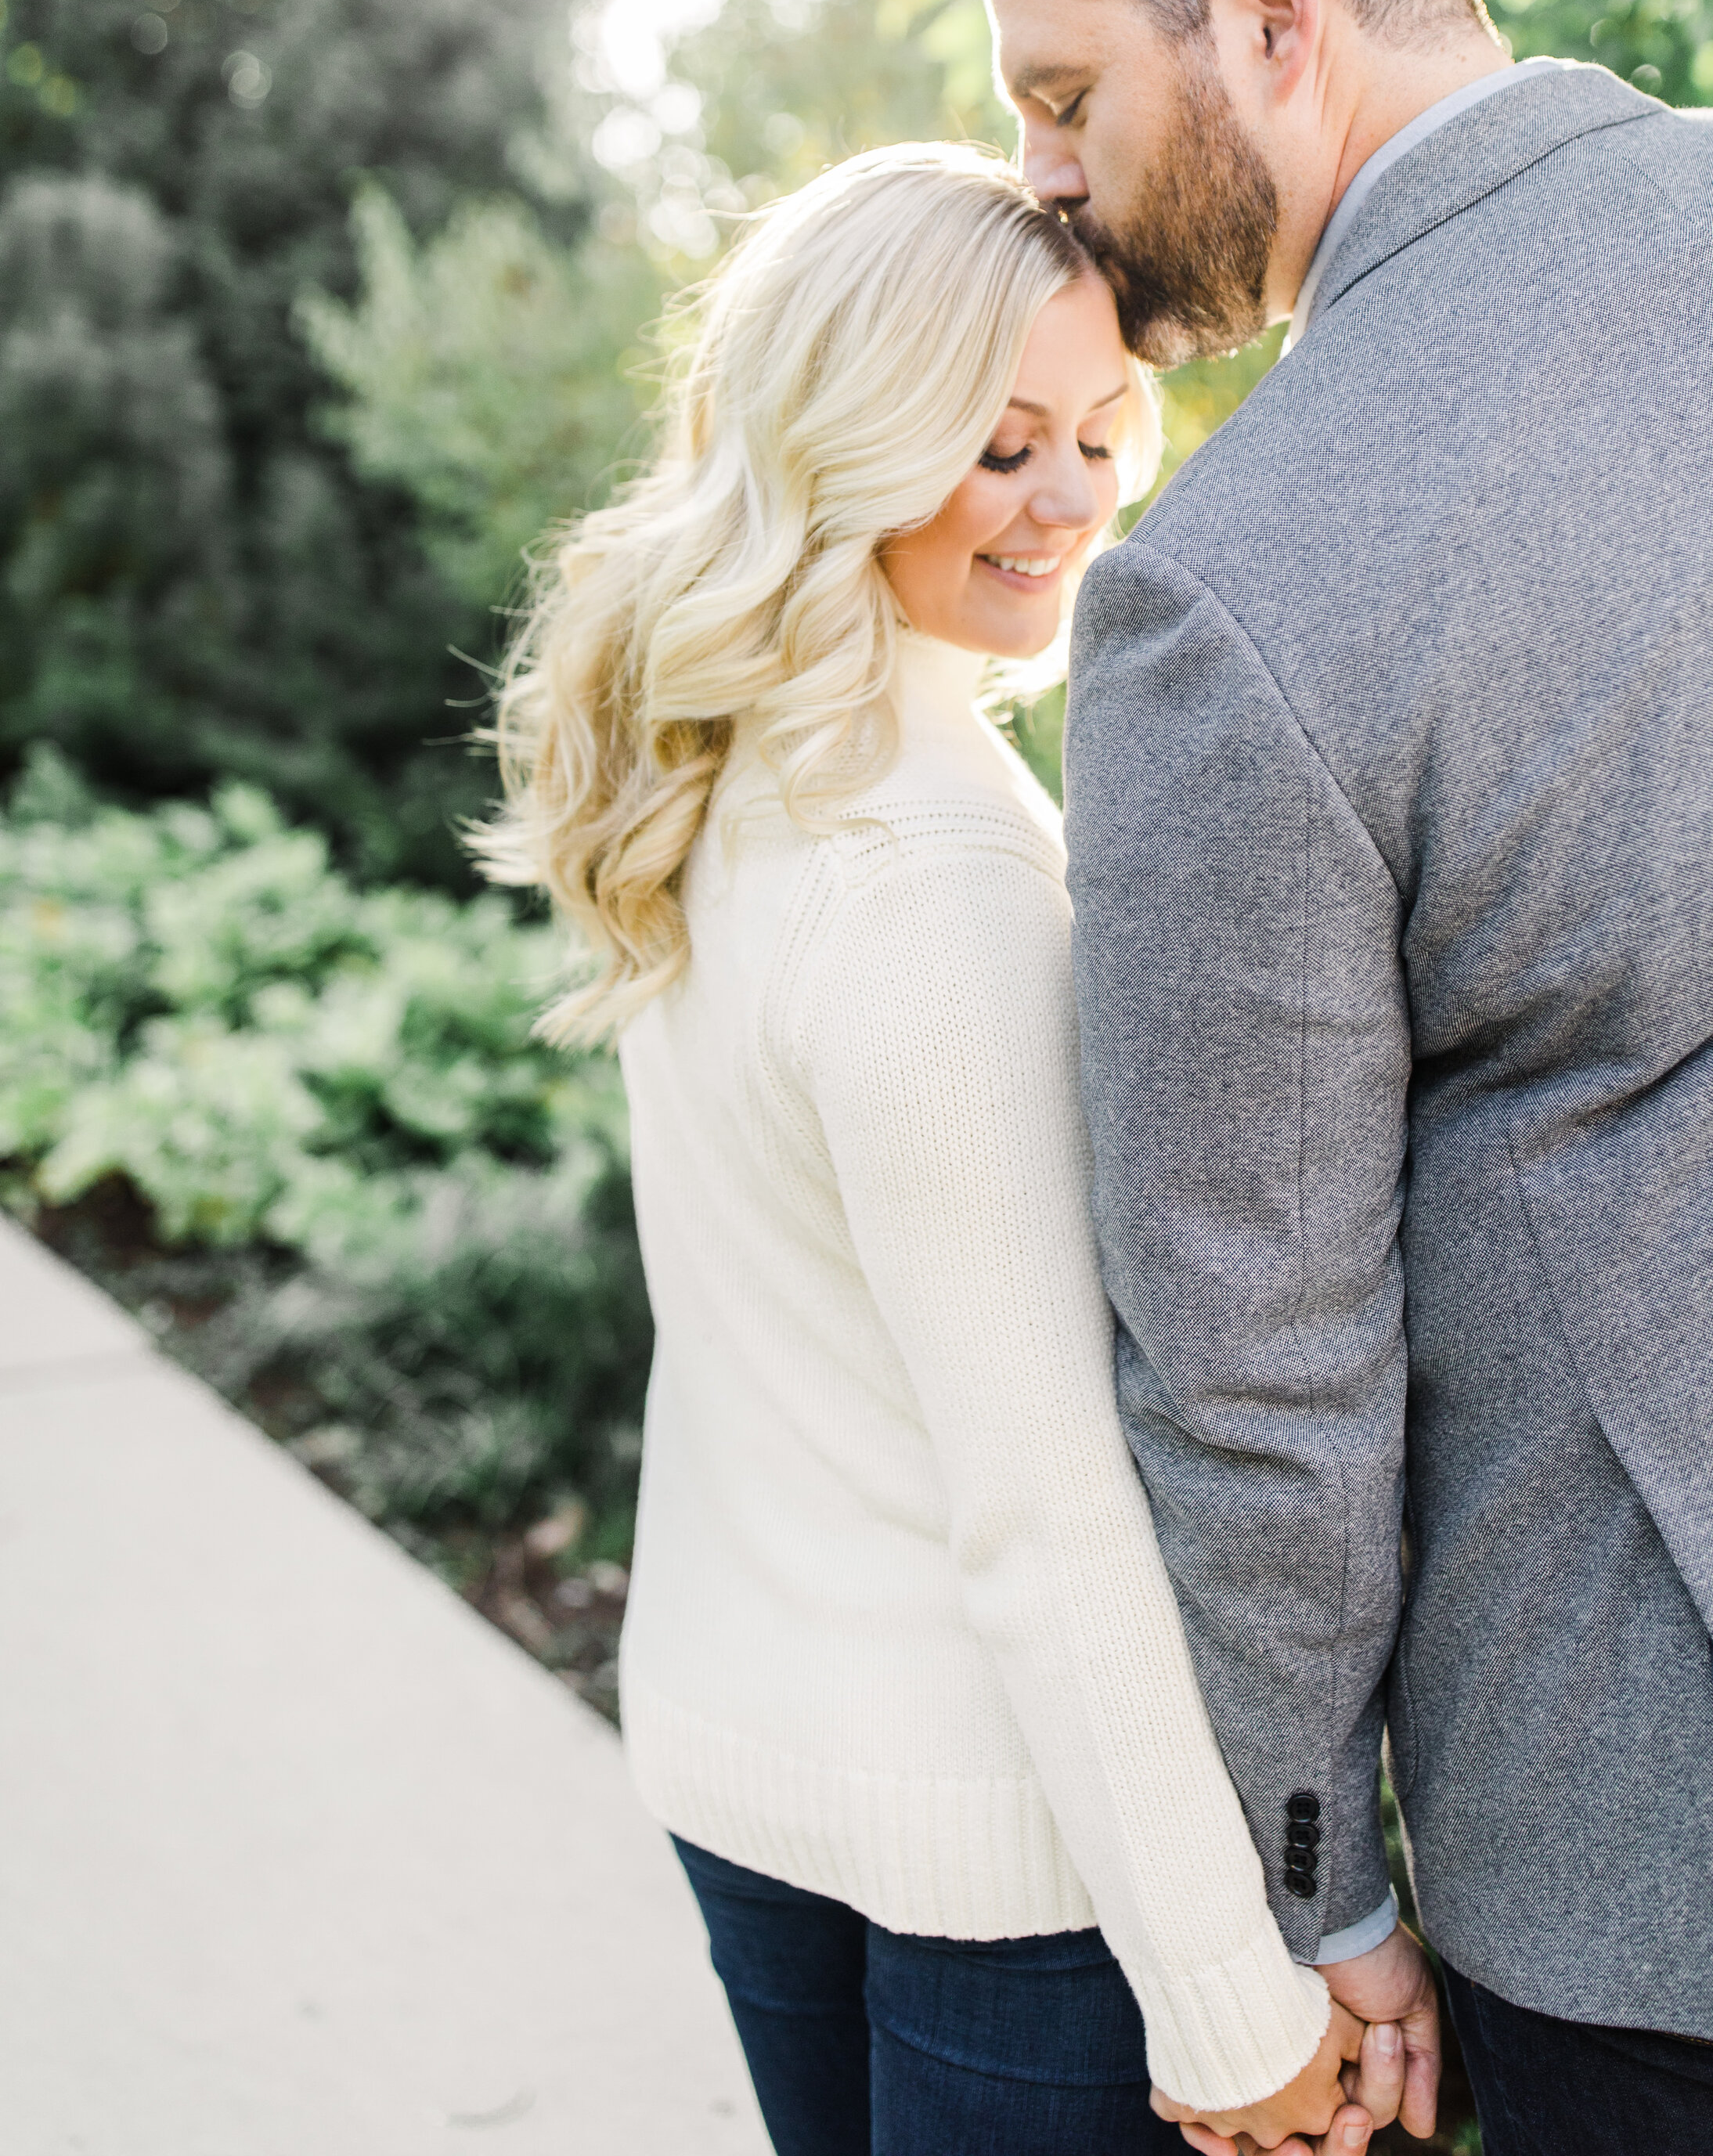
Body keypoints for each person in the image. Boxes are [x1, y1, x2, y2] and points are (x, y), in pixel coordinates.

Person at [950, 0, 1713, 2156]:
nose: (1045, 179)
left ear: (1266, 12)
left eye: (1062, 94)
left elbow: (1256, 1374)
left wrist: (1309, 1893)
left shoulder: (1233, 595)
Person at [478, 142, 1408, 2155]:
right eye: (997, 446)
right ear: (846, 443)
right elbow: (1042, 1502)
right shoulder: (928, 876)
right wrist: (1225, 1992)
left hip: (742, 1757)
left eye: (1096, 430)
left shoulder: (713, 771)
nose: (1072, 498)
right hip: (992, 1865)